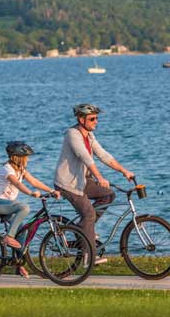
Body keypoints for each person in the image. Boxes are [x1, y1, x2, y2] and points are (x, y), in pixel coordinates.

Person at [54, 103, 135, 264]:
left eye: (97, 118)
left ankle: (84, 229)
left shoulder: (89, 136)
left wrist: (124, 171)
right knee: (89, 213)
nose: (96, 121)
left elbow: (104, 155)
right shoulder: (72, 134)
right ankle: (87, 256)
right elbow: (84, 156)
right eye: (92, 119)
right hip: (68, 184)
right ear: (81, 119)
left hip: (83, 181)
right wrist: (99, 177)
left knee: (108, 195)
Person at [0, 141, 60, 277]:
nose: (28, 159)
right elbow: (17, 183)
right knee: (24, 207)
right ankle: (8, 237)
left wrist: (51, 190)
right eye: (26, 157)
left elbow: (34, 181)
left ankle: (18, 264)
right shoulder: (7, 169)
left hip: (7, 205)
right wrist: (31, 193)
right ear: (18, 157)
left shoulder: (21, 170)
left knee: (22, 231)